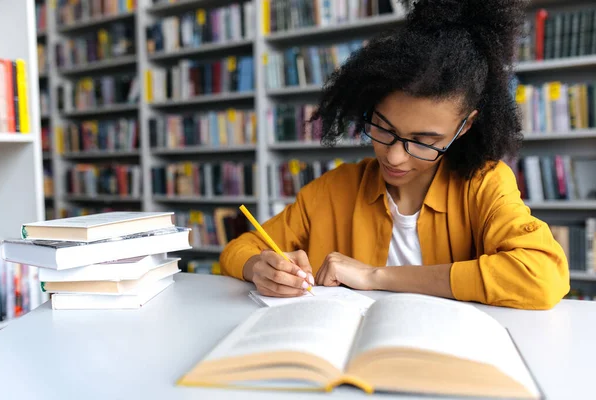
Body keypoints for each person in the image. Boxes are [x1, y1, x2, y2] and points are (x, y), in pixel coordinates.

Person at [220, 0, 570, 309]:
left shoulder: (483, 184)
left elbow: (542, 276)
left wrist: (377, 276)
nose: (394, 157)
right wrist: (259, 268)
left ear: (464, 127)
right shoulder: (332, 189)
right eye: (383, 129)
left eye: (424, 141)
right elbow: (239, 249)